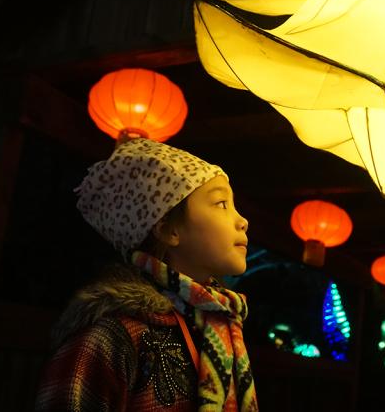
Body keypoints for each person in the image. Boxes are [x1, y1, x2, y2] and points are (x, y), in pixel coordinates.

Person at [34, 138, 258, 411]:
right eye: (221, 203)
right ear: (168, 230)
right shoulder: (111, 335)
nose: (242, 220)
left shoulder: (219, 324)